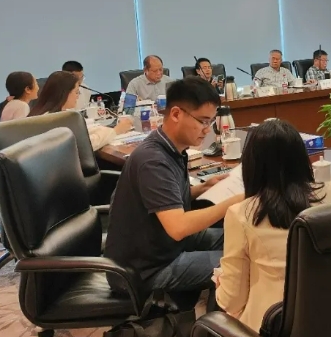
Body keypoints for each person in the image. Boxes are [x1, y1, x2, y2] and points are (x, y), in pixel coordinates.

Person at [215, 119, 331, 337]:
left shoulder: (241, 213)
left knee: (213, 314)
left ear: (251, 165)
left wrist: (219, 283)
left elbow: (232, 300)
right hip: (330, 320)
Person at [104, 77, 243, 296]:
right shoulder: (153, 161)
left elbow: (165, 202)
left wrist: (202, 188)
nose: (207, 130)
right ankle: (212, 316)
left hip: (163, 245)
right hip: (144, 270)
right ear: (176, 114)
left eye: (211, 122)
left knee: (242, 236)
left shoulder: (171, 147)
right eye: (203, 121)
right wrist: (234, 201)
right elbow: (178, 227)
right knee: (239, 262)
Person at [28, 71, 133, 149]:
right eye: (76, 92)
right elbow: (87, 144)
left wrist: (105, 129)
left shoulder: (47, 114)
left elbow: (83, 131)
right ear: (65, 94)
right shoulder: (55, 120)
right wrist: (116, 130)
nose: (78, 96)